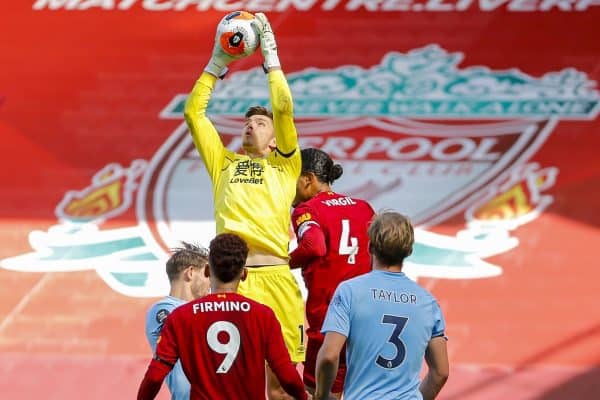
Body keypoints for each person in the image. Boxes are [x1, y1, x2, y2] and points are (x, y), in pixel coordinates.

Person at [183, 12, 305, 399]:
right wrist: (217, 63)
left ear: (275, 140)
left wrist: (270, 55)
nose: (251, 126)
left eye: (260, 124)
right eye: (247, 122)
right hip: (235, 282)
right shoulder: (224, 164)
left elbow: (283, 108)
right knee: (232, 384)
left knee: (282, 387)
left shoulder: (286, 166)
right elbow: (193, 113)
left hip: (278, 280)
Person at [137, 233, 308, 400]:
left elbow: (154, 376)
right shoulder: (263, 315)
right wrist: (302, 395)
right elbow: (285, 373)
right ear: (244, 273)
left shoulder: (181, 317)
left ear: (207, 271)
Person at [314, 212, 449, 400]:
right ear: (409, 251)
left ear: (370, 247)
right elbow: (440, 372)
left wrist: (321, 396)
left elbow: (329, 356)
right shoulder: (428, 302)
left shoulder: (350, 291)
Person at [290, 148, 375, 398]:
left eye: (290, 179)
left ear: (307, 179)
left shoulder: (308, 209)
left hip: (328, 317)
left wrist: (280, 263)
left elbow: (313, 246)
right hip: (366, 314)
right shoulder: (364, 207)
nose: (287, 188)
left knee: (319, 391)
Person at [144, 242, 210, 400]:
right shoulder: (162, 310)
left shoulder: (204, 310)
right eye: (207, 274)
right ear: (191, 273)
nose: (211, 283)